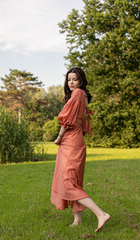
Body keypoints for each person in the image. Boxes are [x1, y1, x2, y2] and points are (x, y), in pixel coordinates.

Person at [51, 67, 110, 232]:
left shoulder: (77, 94)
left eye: (74, 79)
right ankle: (77, 220)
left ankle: (101, 214)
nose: (71, 82)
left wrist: (59, 137)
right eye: (69, 79)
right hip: (78, 141)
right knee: (74, 181)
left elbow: (67, 119)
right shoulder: (83, 96)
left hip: (70, 141)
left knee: (68, 183)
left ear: (81, 81)